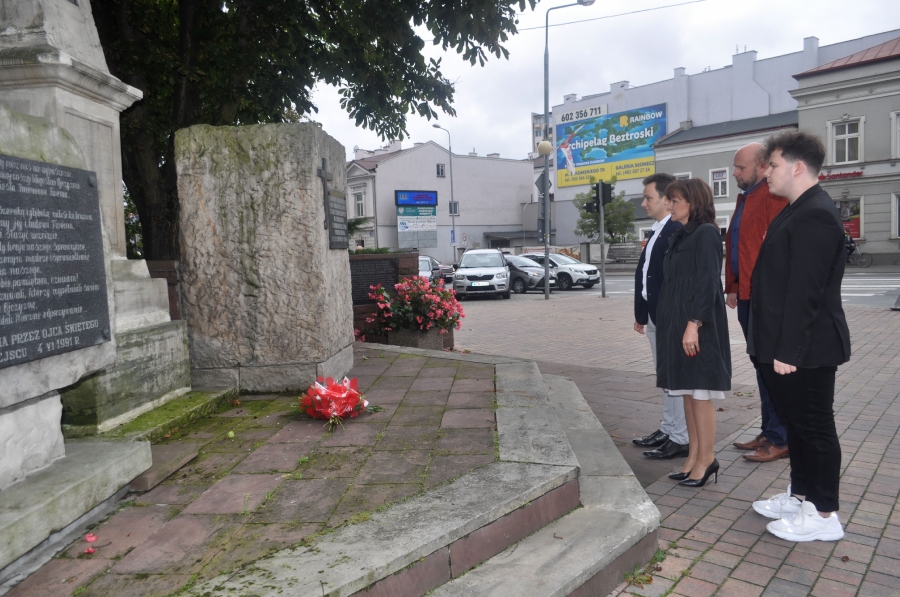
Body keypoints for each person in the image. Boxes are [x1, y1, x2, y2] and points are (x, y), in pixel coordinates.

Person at [749, 130, 850, 542]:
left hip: (807, 347)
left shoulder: (815, 213)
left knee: (814, 427)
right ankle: (801, 496)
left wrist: (789, 349)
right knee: (797, 425)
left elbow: (806, 290)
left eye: (773, 165)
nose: (766, 173)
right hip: (790, 345)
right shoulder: (797, 209)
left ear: (797, 167)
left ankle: (824, 515)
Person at [655, 179, 731, 487]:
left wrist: (694, 324)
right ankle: (694, 457)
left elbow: (708, 282)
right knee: (688, 392)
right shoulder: (681, 234)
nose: (669, 205)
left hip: (698, 327)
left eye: (674, 200)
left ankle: (707, 459)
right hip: (680, 324)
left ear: (693, 202)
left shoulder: (706, 233)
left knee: (700, 393)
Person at [725, 143, 789, 463]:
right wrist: (733, 286)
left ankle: (781, 437)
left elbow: (774, 251)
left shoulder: (772, 196)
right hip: (747, 294)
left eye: (740, 167)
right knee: (760, 366)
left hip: (764, 296)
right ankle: (770, 431)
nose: (734, 173)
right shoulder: (745, 197)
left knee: (770, 368)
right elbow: (737, 246)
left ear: (762, 166)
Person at [632, 173, 689, 459]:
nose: (644, 203)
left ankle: (681, 437)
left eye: (648, 197)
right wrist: (641, 313)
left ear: (667, 200)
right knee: (664, 376)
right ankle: (669, 428)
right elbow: (647, 276)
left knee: (673, 378)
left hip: (669, 317)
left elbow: (676, 279)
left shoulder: (676, 230)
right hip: (656, 315)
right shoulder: (658, 230)